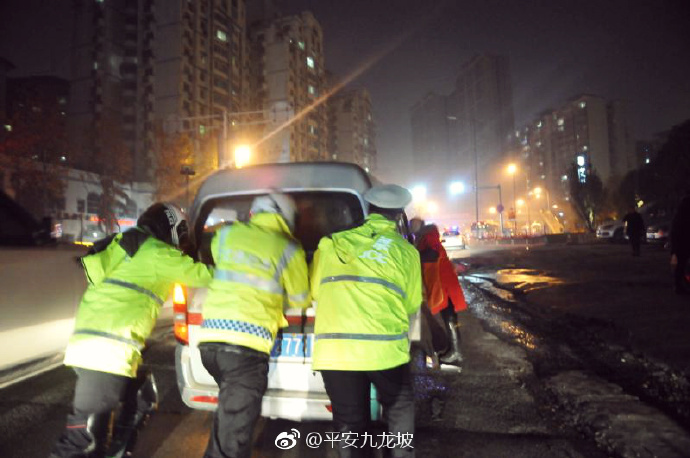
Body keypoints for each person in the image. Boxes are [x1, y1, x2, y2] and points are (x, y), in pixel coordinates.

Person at [51, 203, 213, 458]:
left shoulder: (125, 245)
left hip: (99, 349)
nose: (181, 241)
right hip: (106, 353)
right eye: (181, 233)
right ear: (170, 227)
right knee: (83, 442)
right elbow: (207, 276)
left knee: (141, 399)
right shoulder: (157, 253)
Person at [310, 184, 422, 458]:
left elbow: (316, 292)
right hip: (385, 352)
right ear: (398, 216)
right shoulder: (406, 252)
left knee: (350, 423)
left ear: (368, 210)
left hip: (335, 353)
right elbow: (412, 304)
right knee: (399, 407)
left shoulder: (329, 244)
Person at [197, 192, 310, 458]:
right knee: (233, 439)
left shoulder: (226, 234)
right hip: (245, 349)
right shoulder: (289, 248)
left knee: (227, 424)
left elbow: (223, 263)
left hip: (210, 345)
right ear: (287, 218)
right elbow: (301, 298)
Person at [414, 222, 467, 368]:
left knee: (449, 317)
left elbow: (433, 253)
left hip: (443, 284)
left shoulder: (428, 237)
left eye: (414, 225)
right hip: (443, 283)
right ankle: (453, 349)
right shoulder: (427, 237)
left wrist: (413, 254)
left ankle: (456, 352)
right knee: (449, 317)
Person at [671, 195, 690, 295]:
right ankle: (680, 285)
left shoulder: (679, 217)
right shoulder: (683, 217)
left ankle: (679, 284)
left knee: (681, 265)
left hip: (681, 244)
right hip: (683, 243)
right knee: (682, 265)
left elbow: (674, 232)